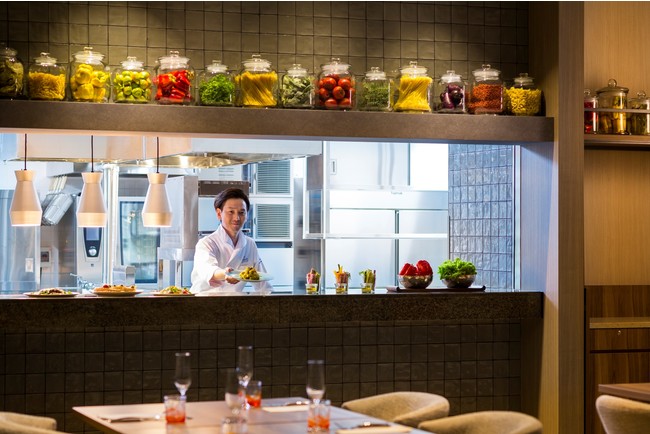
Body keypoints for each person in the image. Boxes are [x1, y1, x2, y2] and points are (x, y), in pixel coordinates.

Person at [190, 187, 272, 295]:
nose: (237, 218)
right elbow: (208, 269)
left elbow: (262, 282)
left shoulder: (250, 244)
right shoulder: (206, 243)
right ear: (219, 213)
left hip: (234, 301)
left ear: (247, 215)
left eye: (241, 212)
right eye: (231, 212)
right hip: (204, 300)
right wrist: (225, 274)